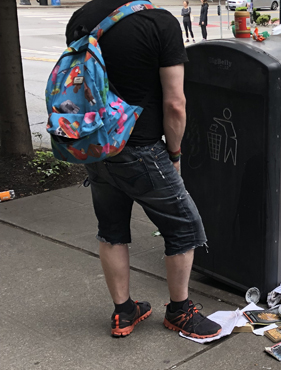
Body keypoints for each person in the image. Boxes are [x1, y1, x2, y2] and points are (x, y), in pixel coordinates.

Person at [65, 0, 222, 339]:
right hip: (141, 149)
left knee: (111, 229)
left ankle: (124, 313)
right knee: (184, 227)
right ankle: (180, 311)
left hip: (96, 146)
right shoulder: (159, 23)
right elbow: (175, 103)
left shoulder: (83, 17)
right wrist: (175, 154)